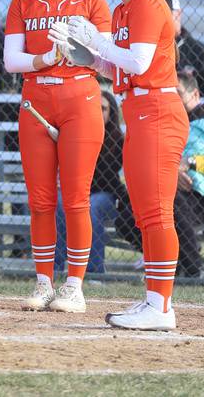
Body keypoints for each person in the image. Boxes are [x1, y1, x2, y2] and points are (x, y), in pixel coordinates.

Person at [61, 0, 189, 330]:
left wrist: (95, 40)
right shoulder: (122, 9)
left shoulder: (149, 2)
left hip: (158, 111)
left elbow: (138, 62)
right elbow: (122, 69)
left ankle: (161, 306)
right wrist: (90, 59)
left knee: (156, 212)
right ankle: (155, 300)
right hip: (139, 112)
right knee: (144, 213)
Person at [3, 0, 112, 313]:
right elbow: (11, 60)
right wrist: (45, 59)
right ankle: (44, 281)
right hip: (36, 100)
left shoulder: (90, 0)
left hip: (79, 99)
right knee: (41, 200)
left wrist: (81, 48)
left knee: (76, 198)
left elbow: (106, 59)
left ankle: (74, 285)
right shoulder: (22, 0)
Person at [55, 90, 126, 274]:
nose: (98, 112)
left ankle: (94, 272)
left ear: (111, 113)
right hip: (77, 191)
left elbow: (110, 180)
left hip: (106, 196)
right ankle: (55, 269)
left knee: (92, 207)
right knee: (59, 203)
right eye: (94, 108)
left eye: (103, 108)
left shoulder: (118, 140)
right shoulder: (75, 135)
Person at [174, 70, 204, 277]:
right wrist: (173, 172)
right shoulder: (170, 123)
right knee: (127, 213)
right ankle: (179, 260)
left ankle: (193, 271)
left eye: (178, 94)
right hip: (181, 193)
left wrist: (191, 162)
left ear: (195, 95)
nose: (174, 100)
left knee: (173, 203)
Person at [160, 0, 204, 97]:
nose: (160, 20)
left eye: (165, 13)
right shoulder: (147, 49)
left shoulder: (201, 53)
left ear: (178, 14)